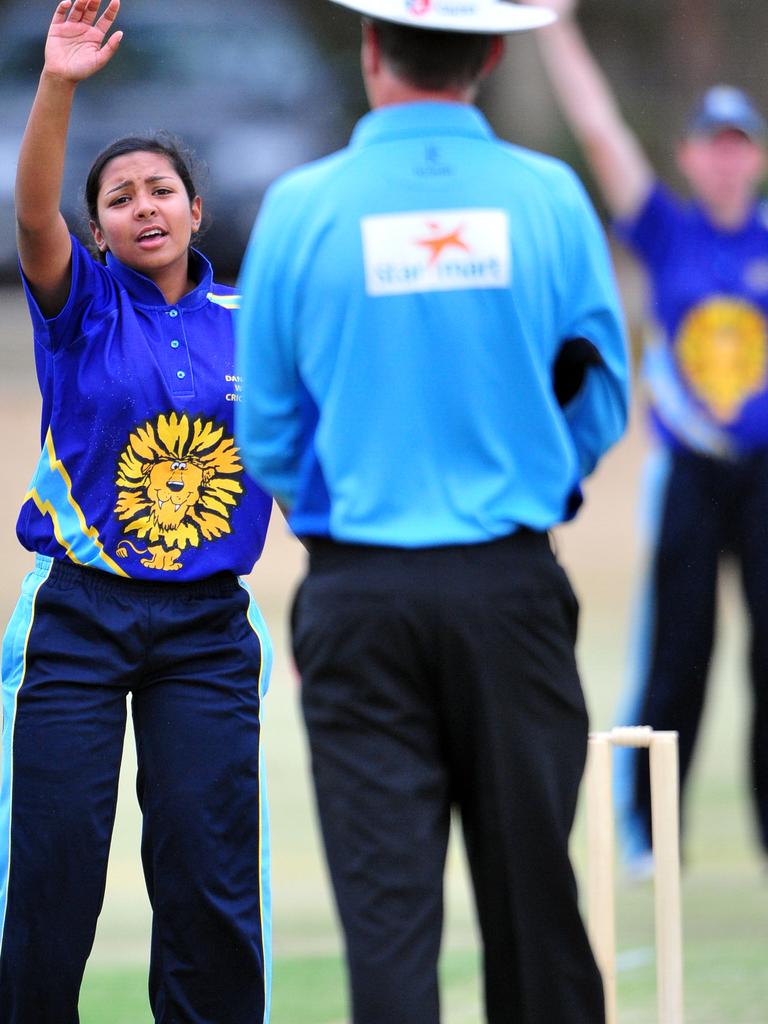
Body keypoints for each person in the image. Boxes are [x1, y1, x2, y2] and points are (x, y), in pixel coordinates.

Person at [235, 0, 630, 1021]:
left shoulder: (299, 207)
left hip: (359, 592)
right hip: (511, 585)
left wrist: (340, 507)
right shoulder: (548, 196)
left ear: (370, 48)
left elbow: (267, 424)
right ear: (493, 54)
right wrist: (530, 476)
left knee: (389, 923)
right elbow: (600, 392)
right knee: (537, 909)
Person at [1, 2, 273, 1022]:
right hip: (79, 617)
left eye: (162, 190)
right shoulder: (81, 304)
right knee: (56, 872)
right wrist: (59, 84)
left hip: (206, 628)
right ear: (100, 224)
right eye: (119, 198)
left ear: (197, 210)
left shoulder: (256, 323)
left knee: (209, 880)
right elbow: (33, 217)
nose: (142, 207)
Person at [522, 0, 768, 876]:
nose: (728, 158)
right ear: (692, 158)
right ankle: (646, 834)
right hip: (691, 472)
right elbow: (598, 130)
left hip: (765, 474)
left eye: (743, 143)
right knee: (678, 654)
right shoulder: (669, 232)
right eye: (715, 144)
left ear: (757, 158)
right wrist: (552, 24)